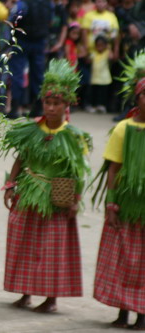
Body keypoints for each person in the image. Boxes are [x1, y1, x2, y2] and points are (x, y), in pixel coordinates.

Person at [3, 59, 92, 313]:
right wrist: (10, 185)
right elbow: (20, 158)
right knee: (24, 242)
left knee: (53, 247)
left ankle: (51, 298)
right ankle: (25, 293)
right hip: (29, 191)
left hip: (58, 195)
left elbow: (79, 170)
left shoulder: (74, 136)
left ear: (67, 105)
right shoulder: (32, 129)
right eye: (48, 102)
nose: (51, 108)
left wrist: (75, 198)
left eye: (57, 103)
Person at [93, 52, 145, 330]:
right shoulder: (123, 129)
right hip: (124, 206)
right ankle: (123, 311)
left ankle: (142, 314)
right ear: (136, 98)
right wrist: (111, 204)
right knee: (122, 259)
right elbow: (113, 169)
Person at [88, 35, 112, 113]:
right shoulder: (94, 53)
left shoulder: (107, 53)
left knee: (103, 93)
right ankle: (94, 106)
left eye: (102, 45)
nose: (100, 47)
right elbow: (88, 60)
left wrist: (109, 47)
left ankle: (102, 106)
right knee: (95, 93)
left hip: (104, 78)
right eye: (98, 45)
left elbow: (112, 57)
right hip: (95, 78)